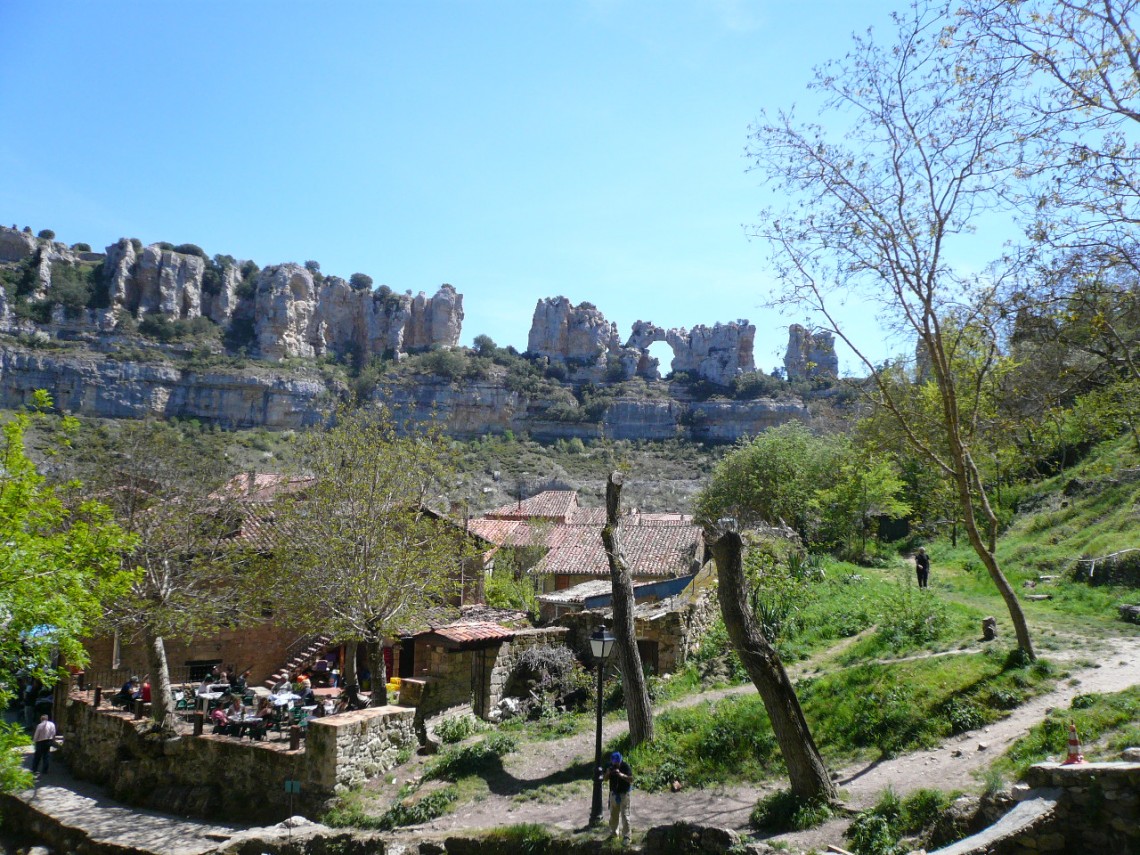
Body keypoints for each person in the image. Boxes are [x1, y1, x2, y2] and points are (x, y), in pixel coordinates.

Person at [602, 751, 633, 843]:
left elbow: (631, 779)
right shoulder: (609, 766)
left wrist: (621, 775)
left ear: (620, 760)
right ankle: (614, 834)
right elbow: (605, 779)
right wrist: (607, 773)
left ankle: (627, 836)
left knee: (625, 815)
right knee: (613, 815)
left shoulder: (625, 766)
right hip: (614, 794)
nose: (616, 765)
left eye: (617, 763)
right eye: (614, 763)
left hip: (624, 793)